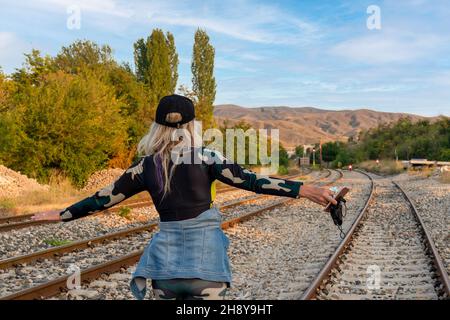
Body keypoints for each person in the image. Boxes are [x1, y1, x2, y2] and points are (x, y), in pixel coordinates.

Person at [33, 94, 337, 300]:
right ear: (191, 125)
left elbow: (102, 199)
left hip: (164, 270)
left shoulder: (144, 167)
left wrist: (62, 214)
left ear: (157, 127)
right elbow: (254, 182)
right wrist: (307, 190)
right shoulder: (206, 158)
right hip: (206, 270)